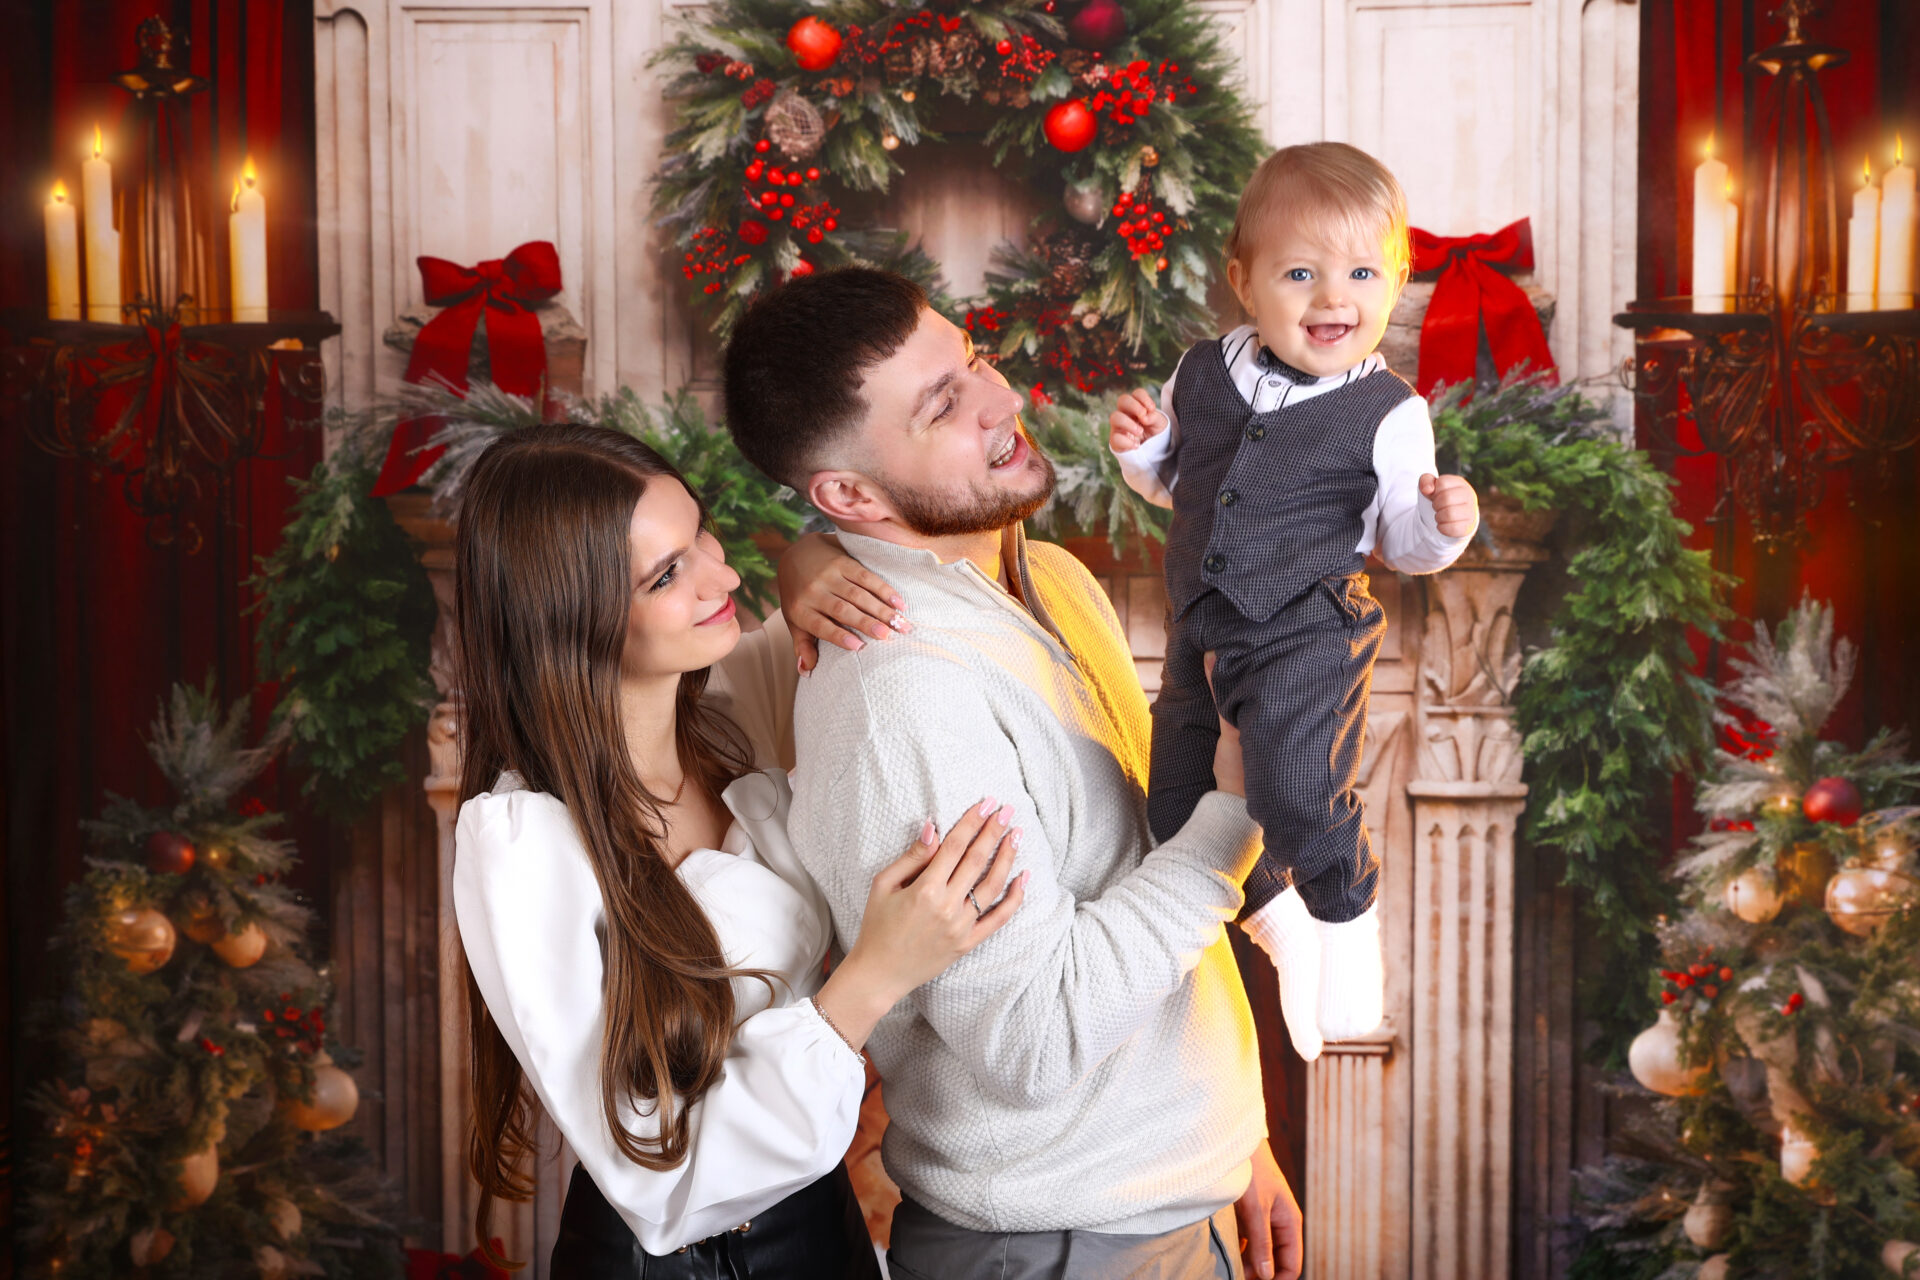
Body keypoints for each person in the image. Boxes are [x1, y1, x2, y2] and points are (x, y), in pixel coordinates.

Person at [724, 267, 1302, 1280]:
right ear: (848, 495)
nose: (1002, 400)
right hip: (1060, 1246)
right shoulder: (900, 690)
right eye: (943, 403)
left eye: (975, 361)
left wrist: (1225, 1138)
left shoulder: (1059, 582)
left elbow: (1129, 866)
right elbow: (1032, 1038)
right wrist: (1236, 814)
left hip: (1166, 1200)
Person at [449, 423, 1029, 1278]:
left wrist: (810, 563)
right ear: (570, 622)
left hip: (825, 1232)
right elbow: (659, 1185)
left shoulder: (732, 710)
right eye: (667, 574)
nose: (723, 577)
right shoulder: (524, 844)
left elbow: (876, 572)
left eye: (701, 535)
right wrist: (871, 978)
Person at [1107, 141, 1481, 1061]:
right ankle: (1286, 932)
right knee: (1178, 802)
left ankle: (1348, 928)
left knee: (1300, 790)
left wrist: (1444, 524)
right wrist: (1141, 451)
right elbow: (1179, 489)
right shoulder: (1202, 372)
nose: (1332, 300)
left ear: (1395, 280)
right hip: (1204, 625)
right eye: (1300, 273)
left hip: (1311, 626)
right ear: (1244, 281)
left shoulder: (1390, 411)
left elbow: (1402, 541)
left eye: (1360, 273)